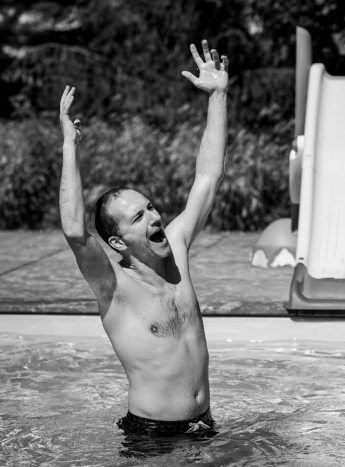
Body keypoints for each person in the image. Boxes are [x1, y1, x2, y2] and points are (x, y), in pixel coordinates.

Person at [58, 40, 228, 435]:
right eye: (139, 216)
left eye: (151, 206)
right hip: (151, 438)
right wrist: (70, 144)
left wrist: (218, 96)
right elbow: (74, 231)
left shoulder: (178, 251)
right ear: (118, 242)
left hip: (204, 428)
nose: (155, 215)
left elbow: (208, 177)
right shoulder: (114, 288)